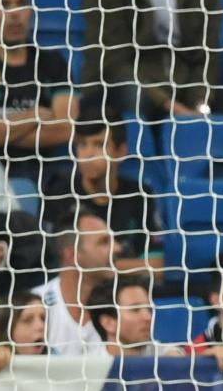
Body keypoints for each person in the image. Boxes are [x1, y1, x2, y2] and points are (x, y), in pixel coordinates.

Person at [0, 0, 77, 184]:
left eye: (21, 3)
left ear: (31, 9)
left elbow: (66, 129)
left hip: (46, 178)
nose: (14, 15)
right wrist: (34, 115)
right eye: (3, 4)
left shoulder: (53, 63)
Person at [42, 107, 163, 270]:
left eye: (99, 145)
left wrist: (96, 266)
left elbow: (155, 266)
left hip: (128, 289)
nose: (88, 154)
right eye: (82, 145)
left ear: (120, 152)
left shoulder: (140, 194)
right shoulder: (58, 194)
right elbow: (56, 265)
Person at [80, 0, 221, 117]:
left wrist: (200, 103)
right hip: (124, 82)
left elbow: (206, 56)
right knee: (135, 96)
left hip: (183, 81)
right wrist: (172, 107)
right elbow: (113, 64)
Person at [33, 211, 115, 355]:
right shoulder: (33, 305)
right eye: (104, 242)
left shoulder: (122, 304)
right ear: (72, 255)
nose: (117, 249)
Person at [86, 276, 182, 358]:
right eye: (135, 310)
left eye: (148, 309)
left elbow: (170, 351)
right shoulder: (88, 367)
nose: (148, 317)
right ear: (108, 323)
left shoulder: (163, 354)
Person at [0, 290, 48, 374]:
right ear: (6, 328)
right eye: (28, 320)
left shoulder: (56, 362)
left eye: (43, 318)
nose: (41, 326)